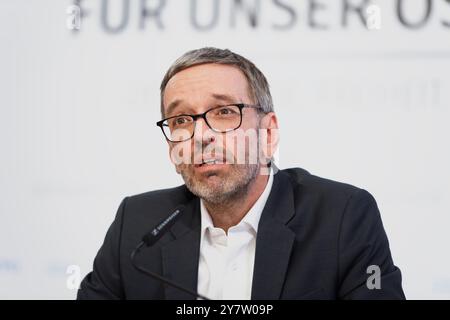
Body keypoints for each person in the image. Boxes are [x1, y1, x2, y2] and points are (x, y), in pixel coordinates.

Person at [77, 47, 405, 300]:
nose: (200, 135)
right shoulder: (136, 225)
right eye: (180, 120)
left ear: (268, 132)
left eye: (223, 112)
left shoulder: (343, 217)